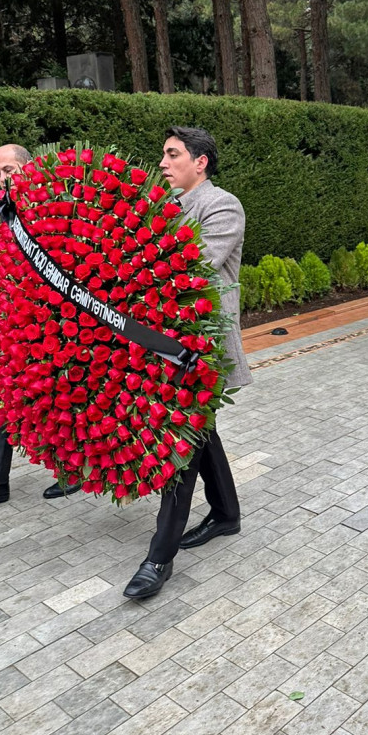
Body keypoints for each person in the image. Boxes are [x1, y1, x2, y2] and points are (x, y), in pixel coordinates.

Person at [123, 127, 252, 600]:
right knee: (199, 431)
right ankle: (226, 515)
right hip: (163, 343)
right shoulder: (166, 208)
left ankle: (160, 555)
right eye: (163, 154)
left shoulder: (223, 206)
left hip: (202, 350)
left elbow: (191, 266)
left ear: (200, 162)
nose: (162, 163)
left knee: (180, 437)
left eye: (172, 155)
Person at [0, 144, 81, 508]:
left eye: (8, 170)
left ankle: (71, 469)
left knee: (59, 395)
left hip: (54, 322)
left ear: (29, 168)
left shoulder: (56, 204)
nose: (2, 178)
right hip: (11, 324)